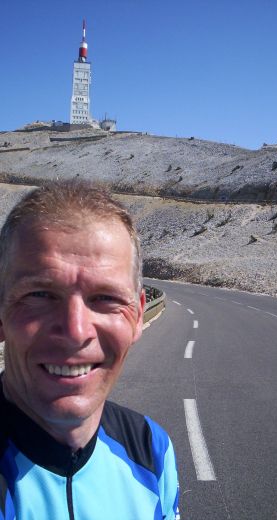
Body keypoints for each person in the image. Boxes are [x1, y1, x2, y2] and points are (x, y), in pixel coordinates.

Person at [0, 180, 179, 519]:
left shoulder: (151, 450)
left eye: (106, 298)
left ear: (138, 315)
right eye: (40, 295)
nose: (75, 331)